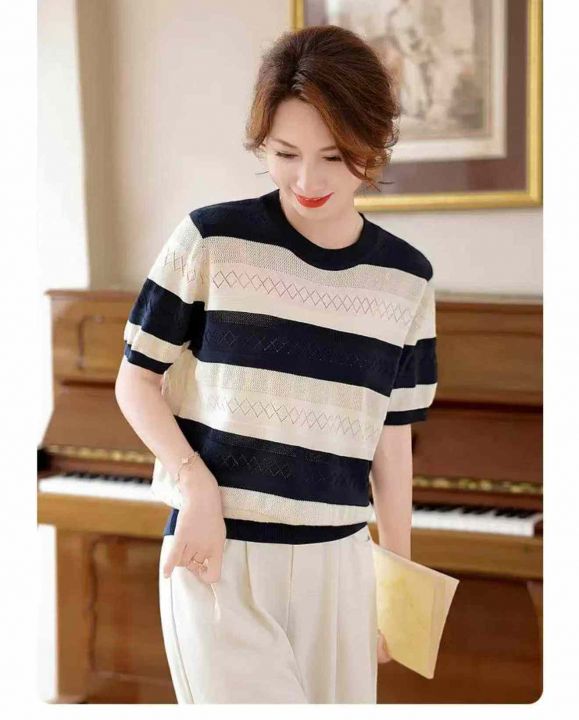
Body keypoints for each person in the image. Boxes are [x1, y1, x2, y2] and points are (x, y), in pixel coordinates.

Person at [115, 24, 438, 704]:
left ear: (374, 145)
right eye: (285, 153)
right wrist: (195, 487)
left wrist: (397, 584)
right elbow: (136, 379)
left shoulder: (406, 279)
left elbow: (392, 440)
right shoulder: (211, 240)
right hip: (216, 553)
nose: (307, 180)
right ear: (261, 141)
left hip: (341, 566)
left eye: (335, 156)